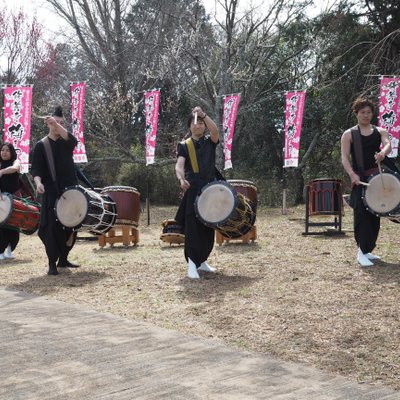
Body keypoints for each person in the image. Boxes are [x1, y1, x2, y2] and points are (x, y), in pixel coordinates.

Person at [341, 97, 392, 267]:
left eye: (369, 112)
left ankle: (368, 250)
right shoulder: (349, 134)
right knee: (361, 215)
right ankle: (361, 252)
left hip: (376, 179)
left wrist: (382, 153)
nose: (366, 115)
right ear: (356, 113)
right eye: (362, 112)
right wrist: (352, 174)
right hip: (359, 179)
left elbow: (387, 144)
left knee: (375, 215)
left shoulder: (380, 131)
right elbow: (344, 157)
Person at [31, 106, 80, 275]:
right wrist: (38, 183)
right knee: (51, 228)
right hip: (52, 192)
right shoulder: (41, 146)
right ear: (48, 124)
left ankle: (64, 259)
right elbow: (36, 170)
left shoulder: (67, 142)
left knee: (71, 227)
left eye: (61, 123)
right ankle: (52, 262)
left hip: (71, 191)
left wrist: (57, 125)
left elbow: (73, 140)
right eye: (55, 122)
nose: (59, 125)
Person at [175, 106, 220, 279]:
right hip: (194, 191)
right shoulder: (185, 146)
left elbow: (215, 131)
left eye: (201, 123)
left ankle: (202, 262)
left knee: (208, 229)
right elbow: (179, 166)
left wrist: (203, 115)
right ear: (189, 127)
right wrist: (181, 179)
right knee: (193, 230)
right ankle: (192, 265)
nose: (199, 126)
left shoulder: (210, 142)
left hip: (210, 190)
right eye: (195, 123)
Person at [0, 142, 21, 260]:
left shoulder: (15, 162)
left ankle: (9, 249)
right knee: (1, 226)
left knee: (14, 225)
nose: (4, 152)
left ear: (12, 152)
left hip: (14, 199)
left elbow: (15, 168)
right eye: (2, 150)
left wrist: (2, 171)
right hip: (1, 200)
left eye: (7, 150)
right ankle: (0, 251)